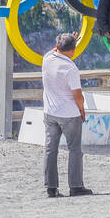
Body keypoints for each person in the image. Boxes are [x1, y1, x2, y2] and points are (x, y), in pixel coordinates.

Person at [41, 32, 91, 198]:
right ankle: (76, 186)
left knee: (50, 149)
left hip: (50, 112)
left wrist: (67, 41)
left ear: (57, 47)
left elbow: (54, 49)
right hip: (69, 114)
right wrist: (82, 111)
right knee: (74, 149)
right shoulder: (70, 68)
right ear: (73, 50)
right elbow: (78, 96)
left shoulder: (47, 59)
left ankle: (51, 187)